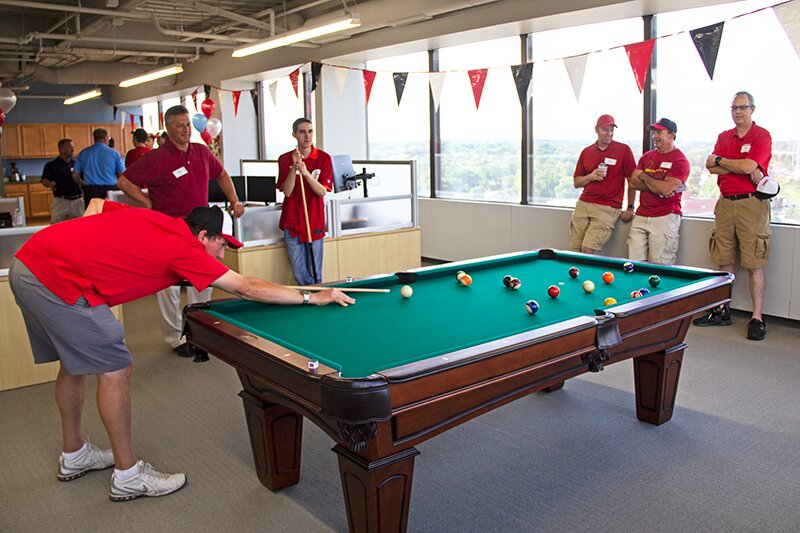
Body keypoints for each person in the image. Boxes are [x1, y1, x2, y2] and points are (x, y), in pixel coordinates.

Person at [8, 199, 353, 502]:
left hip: (30, 262)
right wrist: (312, 295)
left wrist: (81, 248)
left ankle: (74, 454)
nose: (222, 254)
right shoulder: (185, 250)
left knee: (75, 364)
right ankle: (128, 477)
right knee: (116, 367)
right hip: (56, 281)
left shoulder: (161, 220)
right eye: (220, 245)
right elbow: (246, 287)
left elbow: (98, 204)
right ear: (203, 236)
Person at [117, 105, 245, 357]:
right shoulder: (155, 158)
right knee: (170, 286)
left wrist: (234, 199)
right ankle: (175, 337)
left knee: (203, 280)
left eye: (188, 124)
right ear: (168, 128)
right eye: (180, 125)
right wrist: (147, 203)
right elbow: (124, 181)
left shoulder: (201, 151)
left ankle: (199, 331)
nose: (186, 130)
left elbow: (222, 174)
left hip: (202, 230)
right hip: (168, 229)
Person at [693, 91, 772, 341]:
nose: (738, 112)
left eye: (743, 107)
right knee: (723, 260)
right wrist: (737, 164)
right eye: (734, 108)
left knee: (753, 263)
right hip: (725, 203)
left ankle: (757, 318)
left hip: (751, 204)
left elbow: (748, 165)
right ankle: (721, 310)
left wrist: (724, 161)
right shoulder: (724, 137)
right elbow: (711, 166)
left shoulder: (761, 135)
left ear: (752, 109)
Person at [626, 118, 690, 265]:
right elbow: (633, 182)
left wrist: (644, 177)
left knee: (660, 266)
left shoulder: (680, 160)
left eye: (659, 132)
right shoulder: (647, 156)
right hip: (641, 216)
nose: (654, 136)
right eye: (654, 132)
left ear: (671, 135)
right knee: (634, 265)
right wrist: (657, 184)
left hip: (665, 217)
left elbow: (665, 189)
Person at [570, 114, 637, 254]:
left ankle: (587, 276)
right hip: (584, 203)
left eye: (611, 130)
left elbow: (632, 180)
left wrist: (630, 207)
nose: (609, 134)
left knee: (587, 250)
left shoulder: (623, 150)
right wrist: (591, 176)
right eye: (605, 130)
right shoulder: (587, 152)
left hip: (607, 207)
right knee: (574, 251)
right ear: (597, 130)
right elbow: (577, 182)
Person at [277, 118, 333, 285]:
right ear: (294, 134)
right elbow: (287, 191)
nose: (307, 136)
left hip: (314, 222)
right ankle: (313, 296)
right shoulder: (285, 159)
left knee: (316, 273)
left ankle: (315, 297)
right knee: (299, 274)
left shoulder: (324, 158)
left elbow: (322, 191)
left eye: (310, 131)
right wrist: (294, 167)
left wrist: (306, 173)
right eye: (302, 132)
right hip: (292, 223)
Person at [73, 128, 125, 208]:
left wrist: (82, 183)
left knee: (93, 215)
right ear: (105, 138)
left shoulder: (83, 153)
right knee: (110, 215)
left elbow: (75, 175)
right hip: (110, 190)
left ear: (94, 138)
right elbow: (122, 173)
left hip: (91, 190)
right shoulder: (114, 153)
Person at [41, 138, 83, 223]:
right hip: (61, 201)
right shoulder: (51, 165)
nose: (73, 150)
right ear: (61, 148)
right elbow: (44, 180)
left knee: (79, 227)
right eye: (70, 147)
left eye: (73, 147)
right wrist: (49, 184)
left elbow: (83, 179)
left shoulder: (77, 164)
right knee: (55, 226)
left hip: (77, 201)